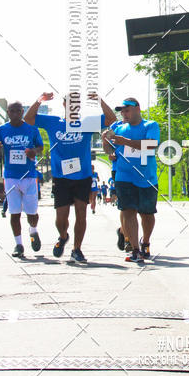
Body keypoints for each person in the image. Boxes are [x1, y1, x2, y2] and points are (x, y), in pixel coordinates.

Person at [25, 91, 116, 264]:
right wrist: (39, 100)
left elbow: (111, 119)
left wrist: (99, 100)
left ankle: (77, 249)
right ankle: (63, 235)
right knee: (61, 217)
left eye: (77, 103)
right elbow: (29, 119)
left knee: (81, 212)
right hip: (61, 177)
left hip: (82, 176)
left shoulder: (87, 123)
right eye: (70, 103)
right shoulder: (53, 122)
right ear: (64, 105)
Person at [102, 98, 160, 264]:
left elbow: (150, 145)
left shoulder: (150, 125)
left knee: (147, 214)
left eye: (127, 110)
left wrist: (125, 141)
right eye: (122, 110)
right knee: (128, 211)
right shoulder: (117, 127)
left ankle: (145, 242)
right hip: (124, 176)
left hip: (146, 177)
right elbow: (109, 149)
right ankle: (135, 249)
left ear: (137, 109)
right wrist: (106, 140)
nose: (124, 113)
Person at [0, 101, 43, 257]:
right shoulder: (1, 130)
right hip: (11, 176)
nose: (15, 114)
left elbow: (40, 148)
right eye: (12, 111)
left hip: (29, 176)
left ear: (23, 112)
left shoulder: (31, 129)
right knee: (14, 213)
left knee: (32, 213)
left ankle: (33, 231)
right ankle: (18, 245)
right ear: (8, 112)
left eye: (18, 111)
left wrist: (33, 152)